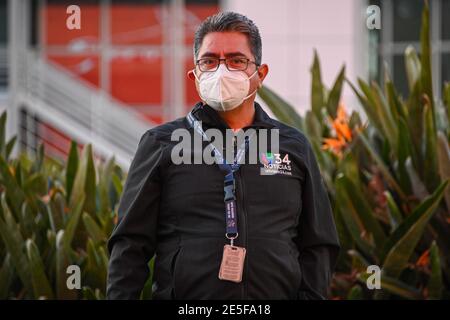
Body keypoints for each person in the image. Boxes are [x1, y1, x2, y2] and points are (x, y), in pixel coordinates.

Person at [107, 11, 340, 300]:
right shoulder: (160, 144)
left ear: (260, 74)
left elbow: (319, 244)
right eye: (209, 60)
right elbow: (130, 245)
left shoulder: (293, 146)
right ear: (195, 75)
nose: (221, 70)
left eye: (236, 60)